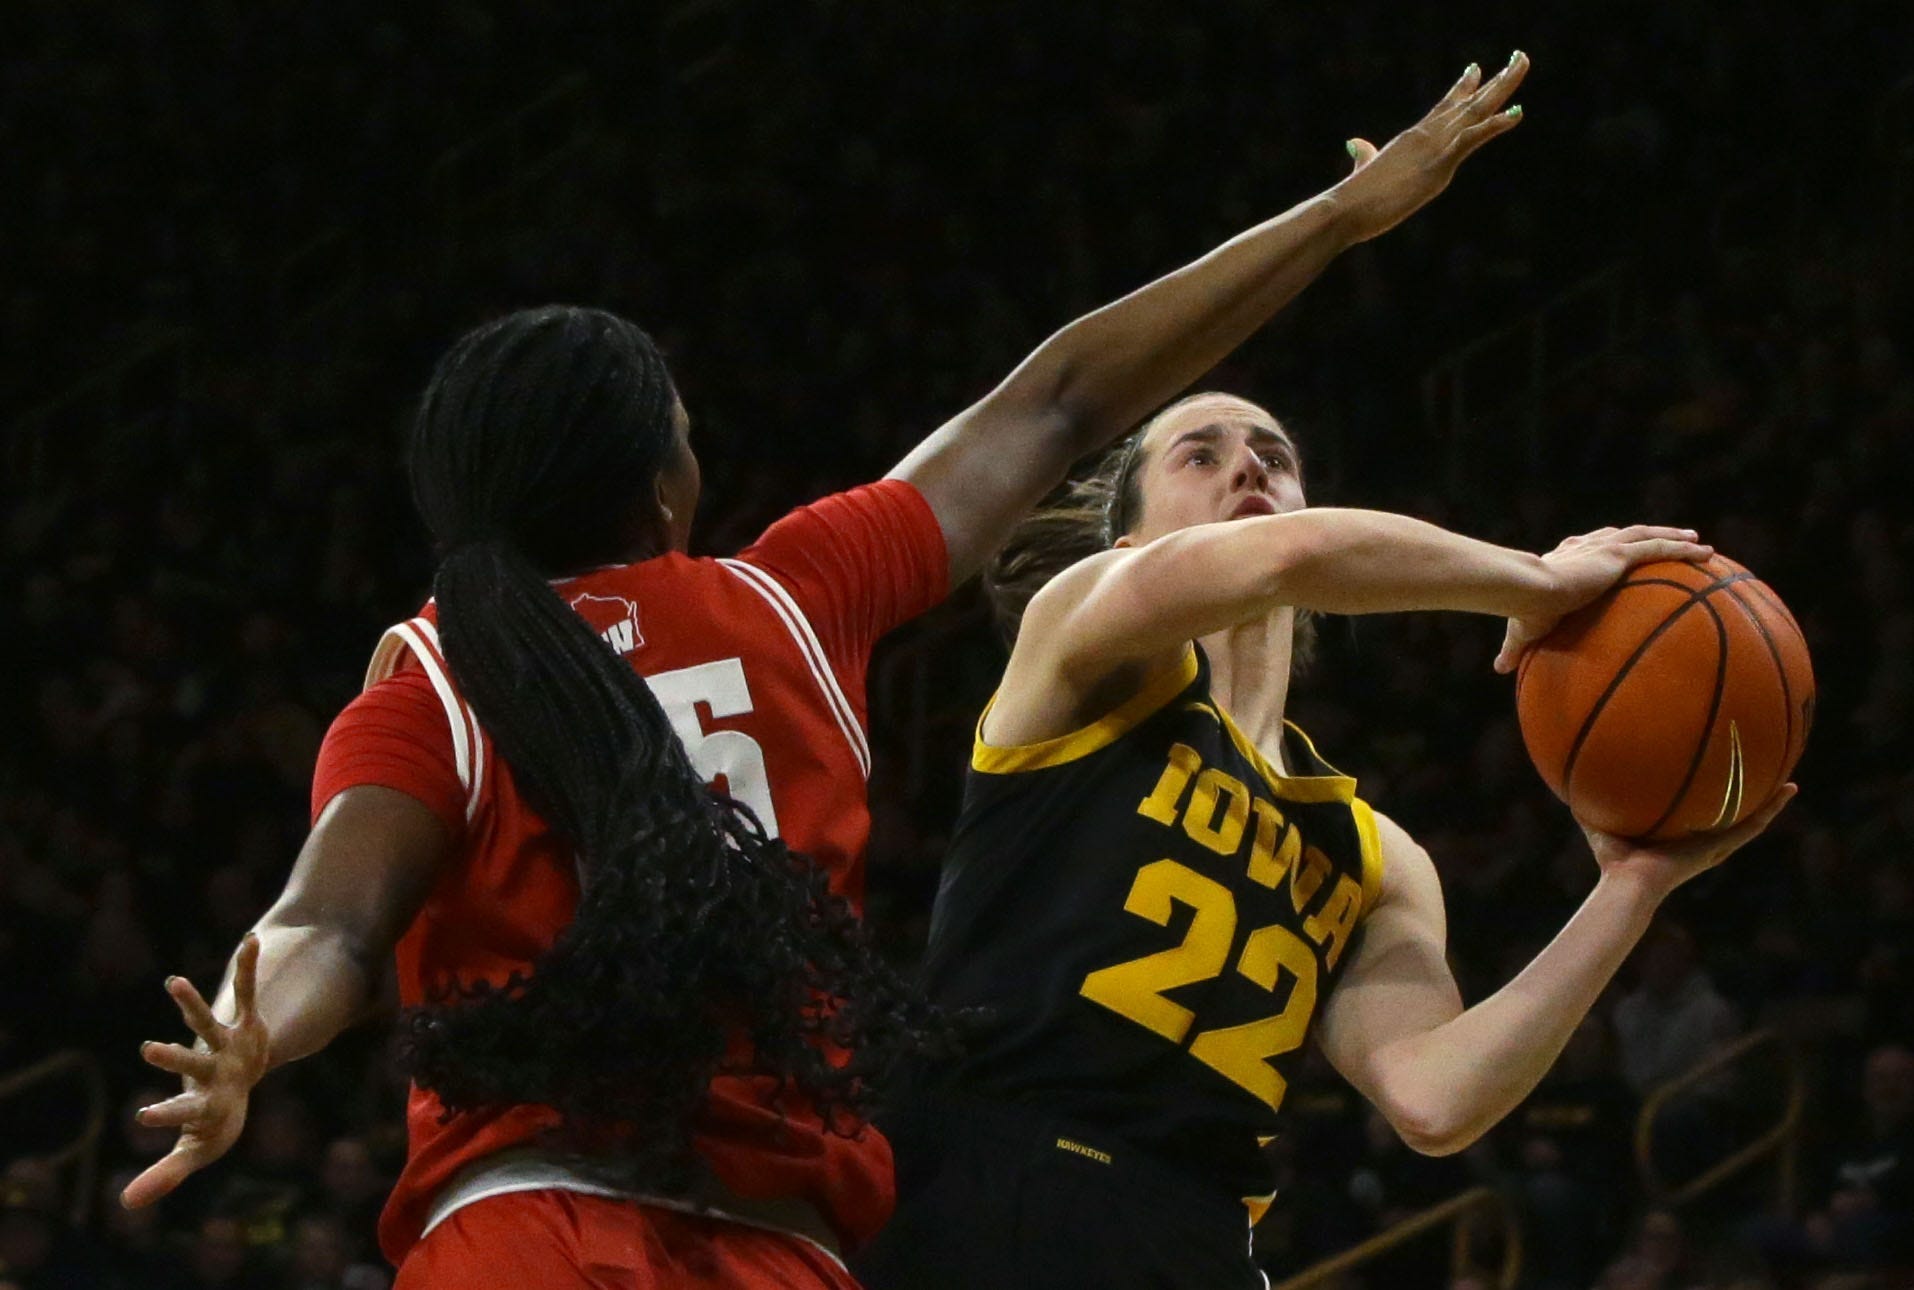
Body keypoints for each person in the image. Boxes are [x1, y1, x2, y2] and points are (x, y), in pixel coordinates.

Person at [123, 55, 1535, 1290]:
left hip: (526, 1233)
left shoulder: (437, 670)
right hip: (776, 1247)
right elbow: (1061, 397)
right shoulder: (786, 599)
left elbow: (328, 926)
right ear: (661, 485)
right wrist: (1338, 219)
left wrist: (253, 1032)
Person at [850, 390, 1794, 1290]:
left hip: (1200, 1230)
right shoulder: (1087, 650)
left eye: (1274, 456)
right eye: (1200, 453)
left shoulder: (1378, 858)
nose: (1246, 464)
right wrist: (1538, 578)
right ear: (1129, 539)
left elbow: (1437, 1100)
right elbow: (1284, 557)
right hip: (988, 1175)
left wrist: (1630, 889)